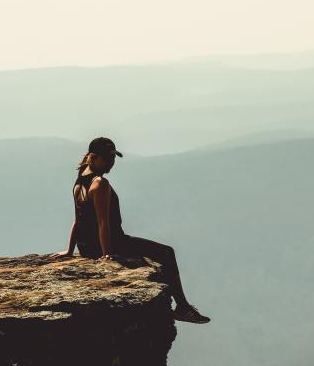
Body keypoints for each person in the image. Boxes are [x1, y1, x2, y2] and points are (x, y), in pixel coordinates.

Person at [57, 136, 210, 324]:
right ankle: (183, 308)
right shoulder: (99, 183)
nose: (111, 163)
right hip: (112, 243)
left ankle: (183, 307)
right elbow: (103, 222)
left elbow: (78, 219)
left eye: (113, 158)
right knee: (166, 253)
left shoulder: (80, 181)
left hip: (86, 247)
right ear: (93, 157)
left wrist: (71, 250)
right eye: (107, 158)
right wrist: (107, 255)